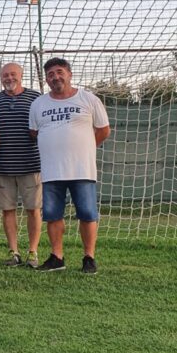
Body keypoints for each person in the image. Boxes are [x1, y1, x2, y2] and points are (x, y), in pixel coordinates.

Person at [29, 57, 111, 274]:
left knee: (87, 213)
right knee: (52, 214)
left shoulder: (89, 99)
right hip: (51, 171)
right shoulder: (39, 104)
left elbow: (103, 130)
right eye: (50, 74)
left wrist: (83, 148)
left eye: (59, 72)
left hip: (82, 170)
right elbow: (34, 132)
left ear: (69, 74)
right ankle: (57, 257)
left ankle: (89, 258)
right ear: (46, 79)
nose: (55, 77)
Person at [0, 62, 43, 269]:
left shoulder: (36, 98)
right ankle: (14, 251)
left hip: (31, 164)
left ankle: (33, 252)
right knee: (7, 210)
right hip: (3, 166)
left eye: (13, 74)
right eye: (5, 75)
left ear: (21, 75)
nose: (9, 78)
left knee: (33, 209)